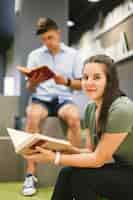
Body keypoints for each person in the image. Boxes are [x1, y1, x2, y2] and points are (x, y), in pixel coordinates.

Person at [25, 54, 133, 200]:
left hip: (128, 173)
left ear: (109, 81)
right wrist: (64, 149)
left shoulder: (121, 109)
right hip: (122, 169)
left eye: (96, 77)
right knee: (67, 173)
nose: (88, 82)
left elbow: (98, 159)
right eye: (85, 77)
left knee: (82, 177)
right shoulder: (90, 108)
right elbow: (91, 152)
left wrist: (55, 158)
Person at [22, 17, 83, 196]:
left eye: (50, 37)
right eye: (43, 39)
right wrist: (33, 82)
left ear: (58, 33)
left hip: (64, 99)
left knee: (74, 118)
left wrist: (67, 81)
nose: (47, 42)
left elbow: (81, 84)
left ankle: (73, 170)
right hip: (41, 98)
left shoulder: (74, 55)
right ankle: (30, 174)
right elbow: (29, 87)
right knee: (32, 116)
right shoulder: (34, 55)